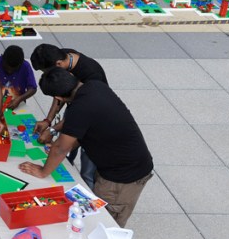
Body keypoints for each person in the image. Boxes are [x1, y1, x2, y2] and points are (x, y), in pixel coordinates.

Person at [19, 68, 153, 227]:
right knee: (95, 216)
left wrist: (43, 171)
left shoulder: (79, 108)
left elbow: (60, 149)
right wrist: (62, 144)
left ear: (58, 98)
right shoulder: (95, 86)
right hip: (122, 164)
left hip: (122, 178)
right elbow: (82, 132)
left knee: (103, 223)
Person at [29, 44, 107, 187]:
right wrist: (48, 120)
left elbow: (80, 115)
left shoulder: (92, 75)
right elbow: (59, 94)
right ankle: (66, 168)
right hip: (77, 110)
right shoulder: (63, 56)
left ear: (58, 64)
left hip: (95, 126)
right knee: (64, 153)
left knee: (86, 172)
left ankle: (87, 196)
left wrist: (53, 130)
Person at [0, 45, 37, 111]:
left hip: (17, 105)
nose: (9, 71)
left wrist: (19, 99)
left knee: (16, 121)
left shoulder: (25, 66)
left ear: (21, 63)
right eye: (6, 68)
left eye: (14, 69)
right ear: (3, 58)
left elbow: (33, 88)